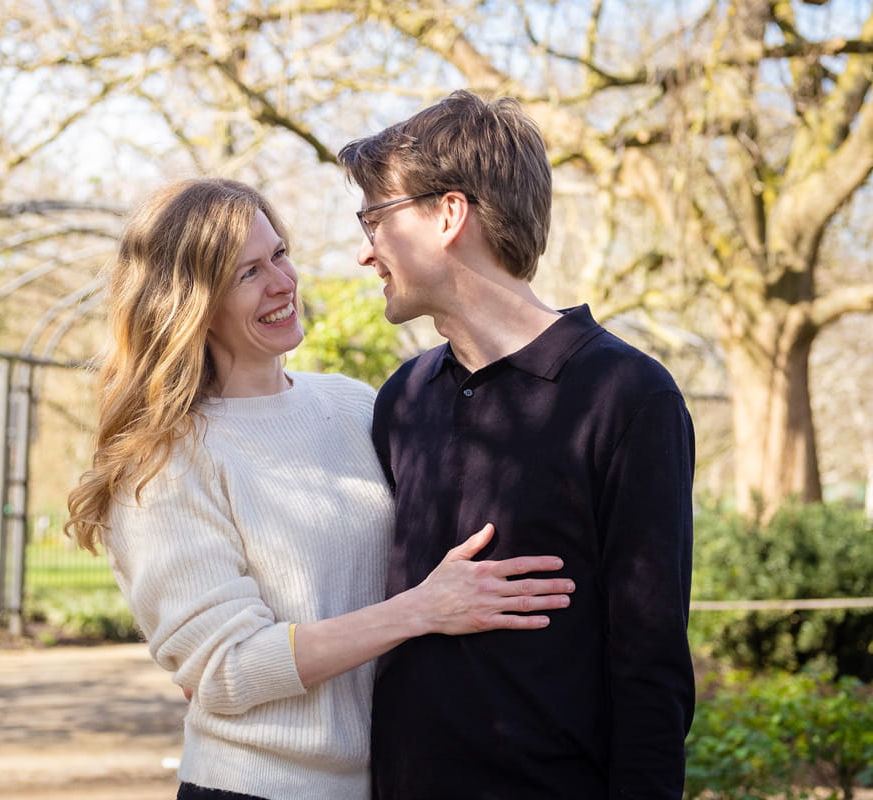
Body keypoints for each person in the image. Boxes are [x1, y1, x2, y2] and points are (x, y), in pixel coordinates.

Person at [65, 177, 576, 800]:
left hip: (391, 781)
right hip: (260, 788)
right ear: (191, 304)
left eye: (278, 254)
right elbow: (223, 670)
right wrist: (420, 610)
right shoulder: (163, 461)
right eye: (246, 273)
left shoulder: (353, 405)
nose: (283, 283)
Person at [336, 91, 696, 799]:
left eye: (376, 217)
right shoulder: (402, 399)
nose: (364, 250)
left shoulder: (627, 395)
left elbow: (650, 666)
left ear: (449, 214)